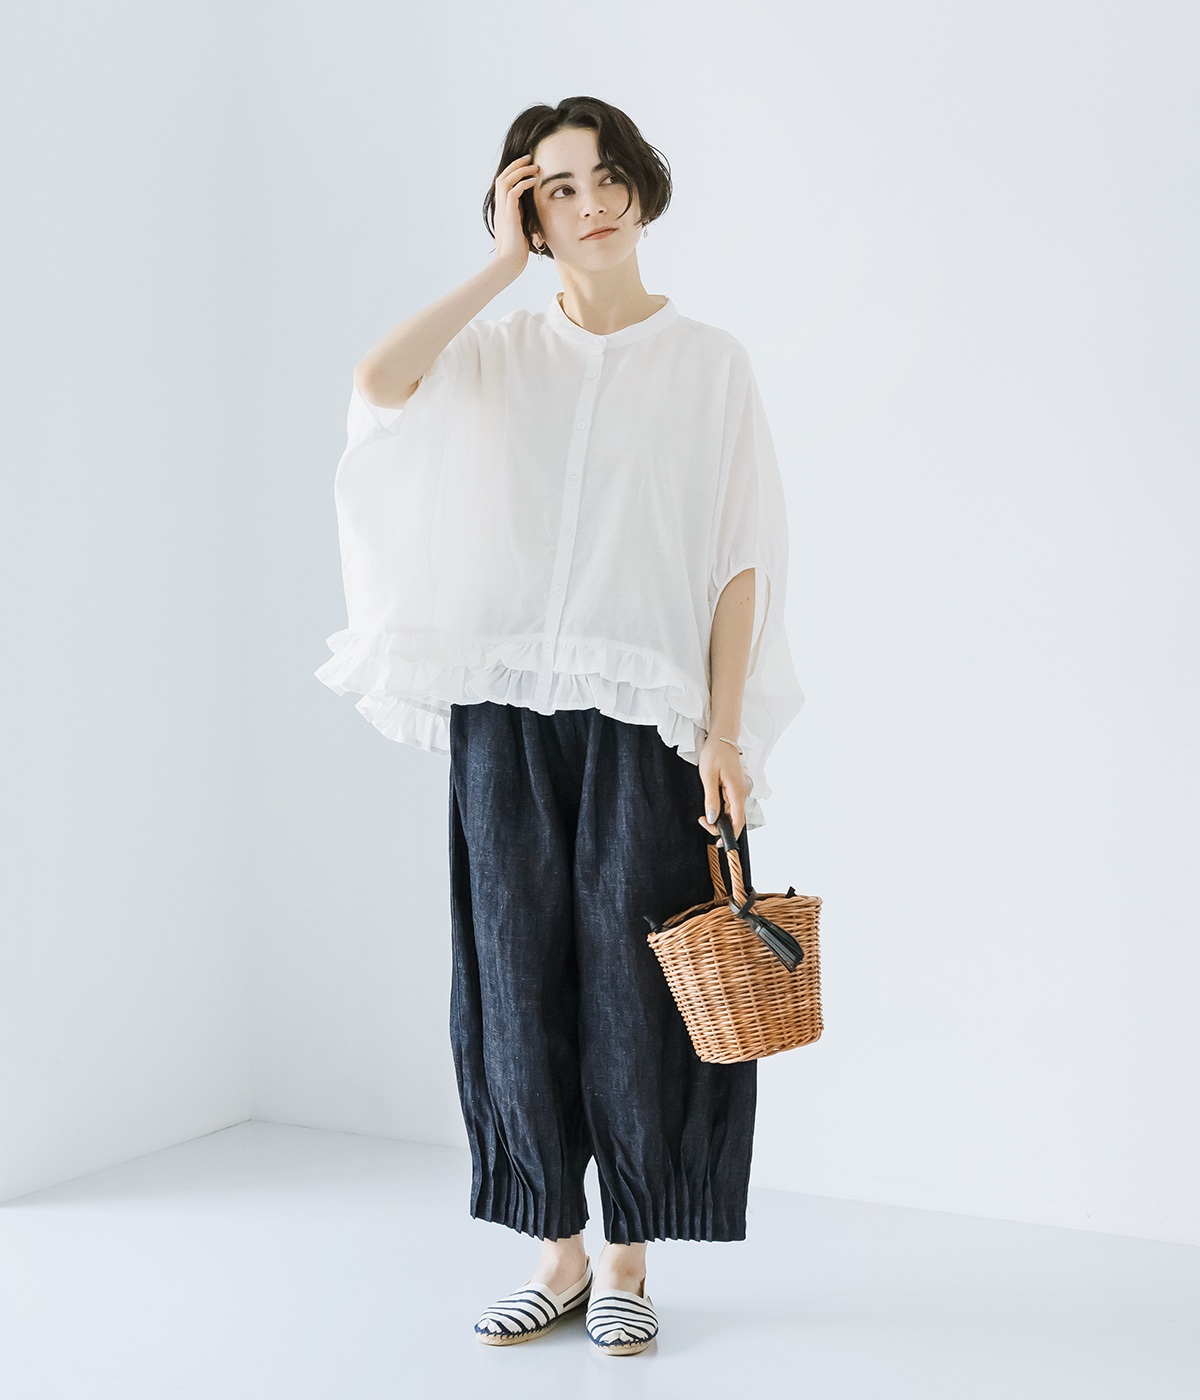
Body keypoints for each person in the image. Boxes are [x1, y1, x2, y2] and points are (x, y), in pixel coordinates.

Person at [315, 95, 805, 1355]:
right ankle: (558, 1252)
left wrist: (726, 730)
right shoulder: (496, 353)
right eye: (558, 190)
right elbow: (377, 384)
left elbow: (739, 559)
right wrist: (498, 263)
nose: (591, 205)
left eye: (605, 178)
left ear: (641, 184)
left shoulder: (708, 364)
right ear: (528, 214)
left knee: (640, 988)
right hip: (505, 715)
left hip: (645, 717)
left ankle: (631, 1254)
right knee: (513, 981)